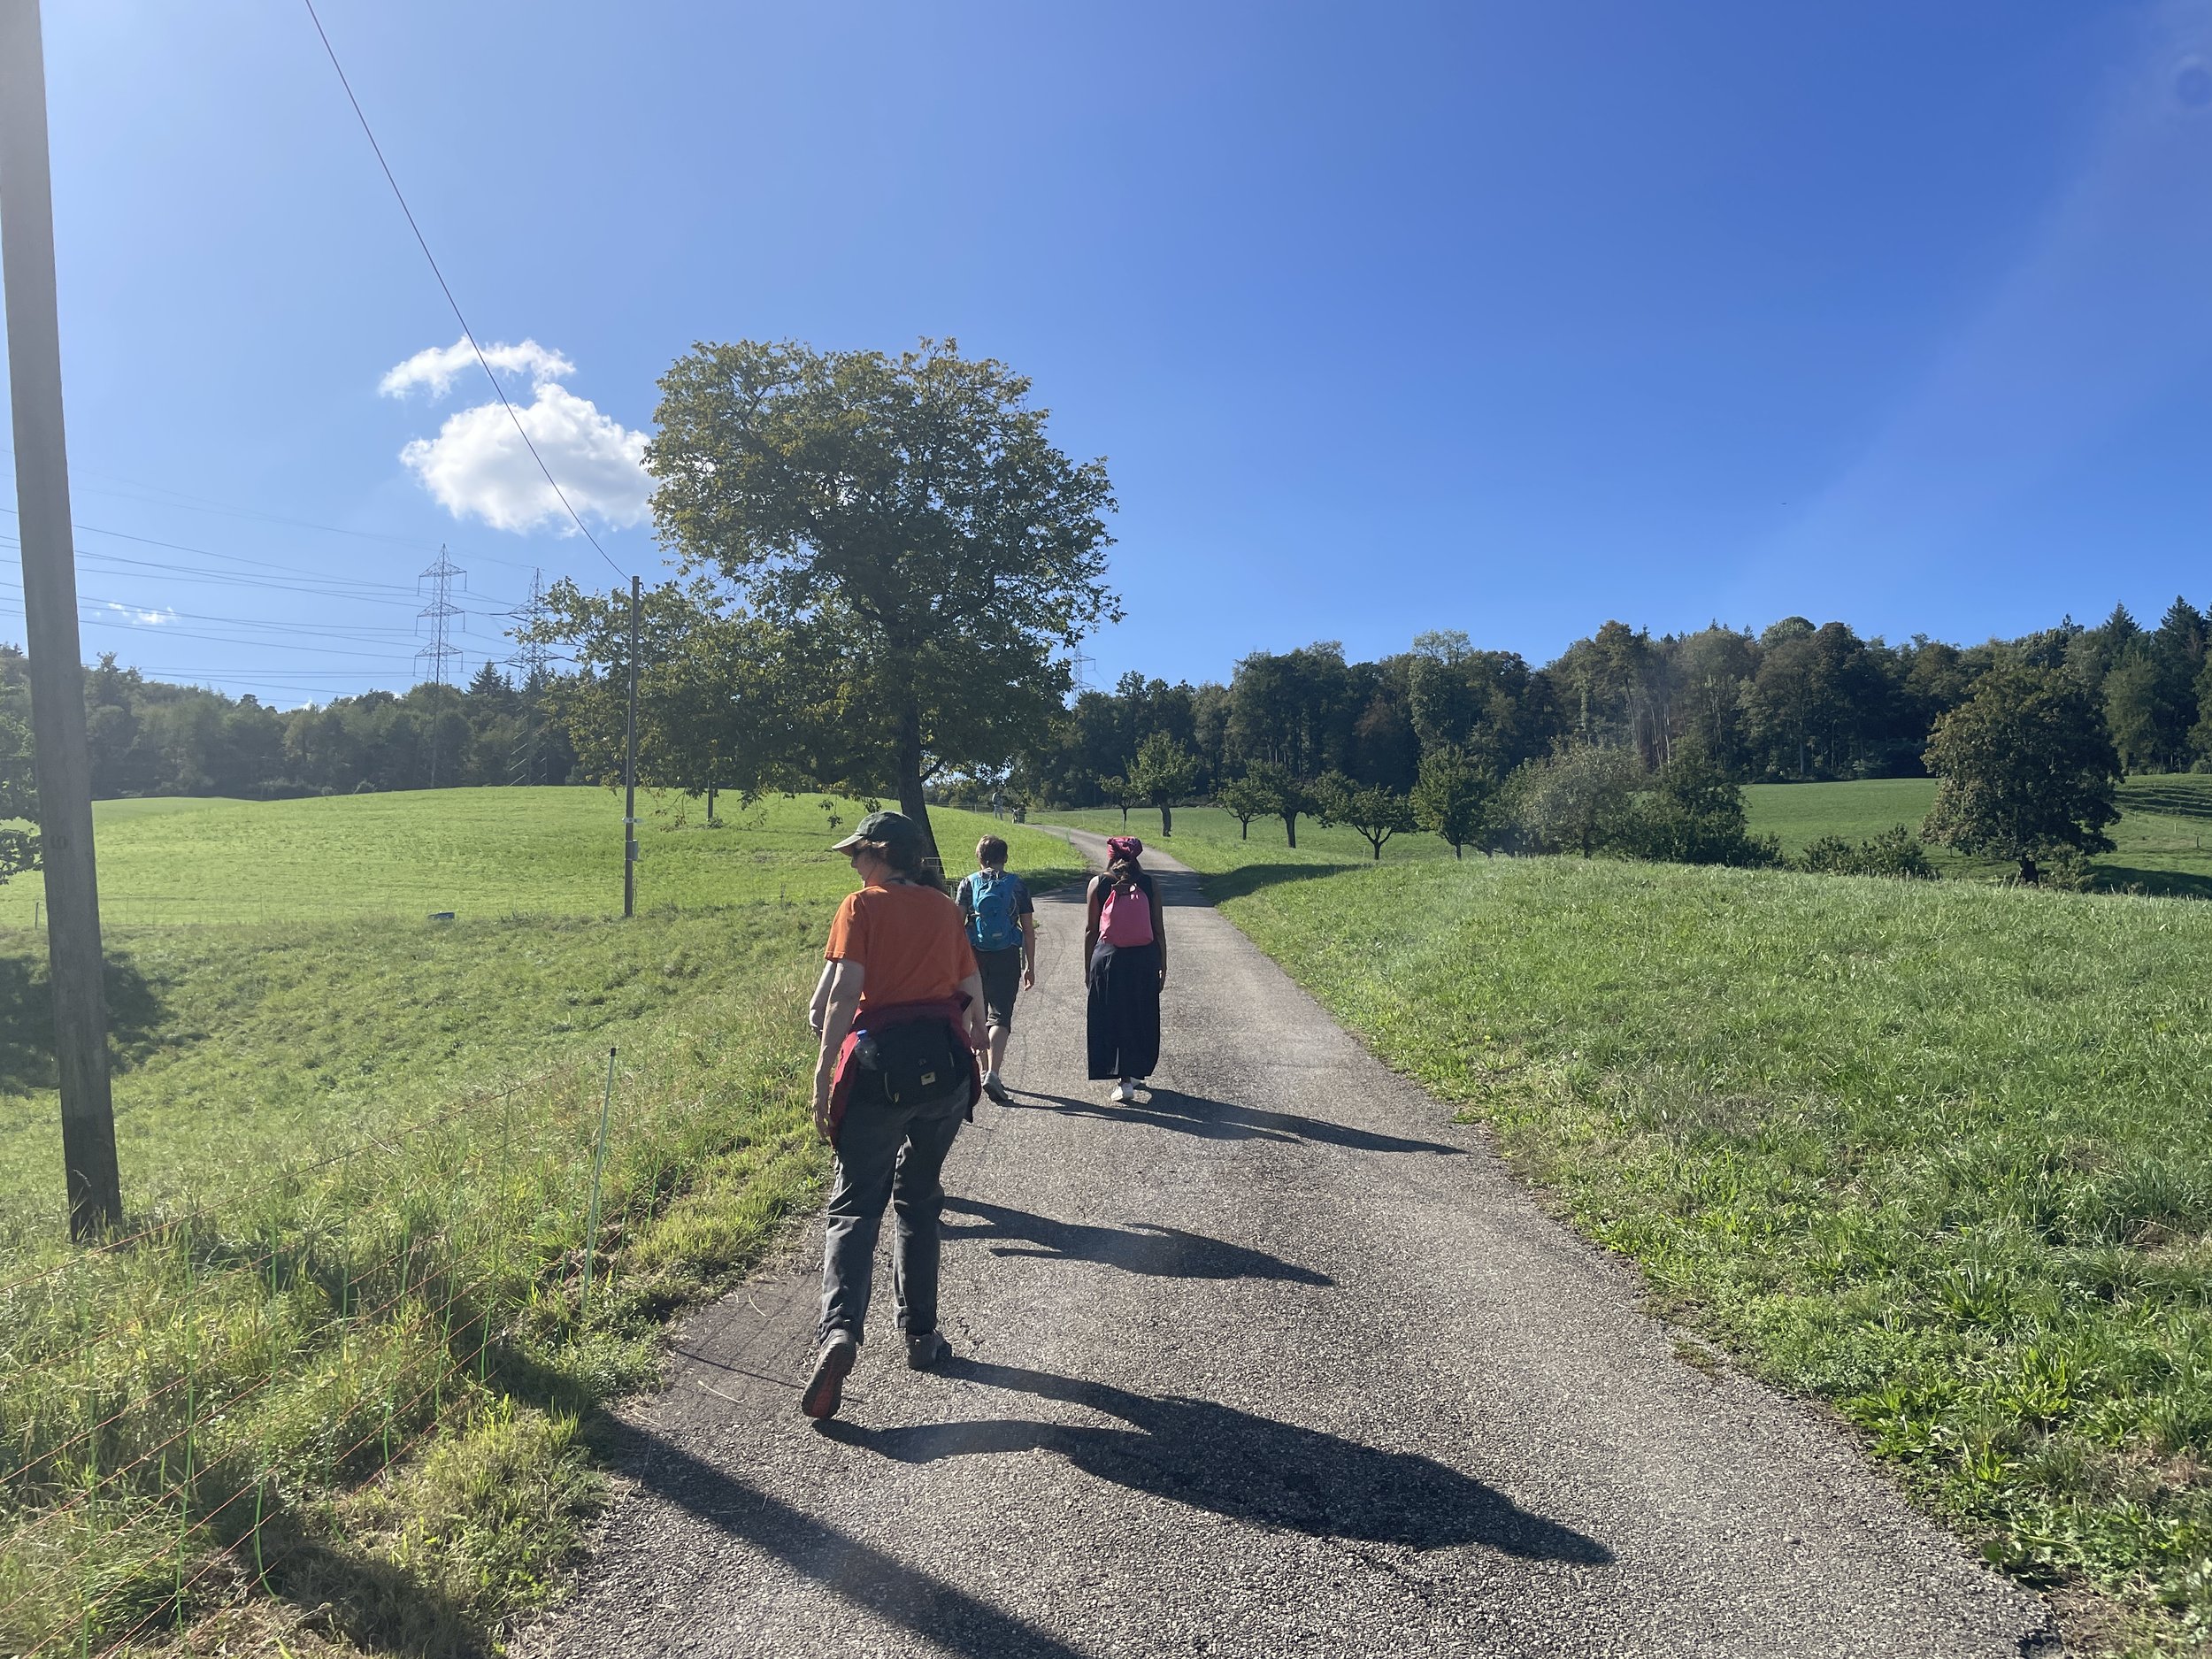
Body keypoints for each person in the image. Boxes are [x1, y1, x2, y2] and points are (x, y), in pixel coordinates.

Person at [801, 810, 987, 1421]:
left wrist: (825, 1074)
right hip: (945, 1071)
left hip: (880, 1073)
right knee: (920, 1198)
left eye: (858, 852)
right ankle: (922, 1336)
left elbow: (844, 993)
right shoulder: (942, 906)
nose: (853, 862)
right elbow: (974, 998)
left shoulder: (861, 907)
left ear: (881, 853)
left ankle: (840, 1333)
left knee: (855, 1204)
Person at [955, 834, 1036, 1104]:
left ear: (980, 858)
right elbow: (1028, 930)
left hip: (973, 955)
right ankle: (994, 1073)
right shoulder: (1018, 885)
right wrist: (1029, 965)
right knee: (1000, 1015)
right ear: (1005, 858)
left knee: (978, 1012)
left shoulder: (968, 883)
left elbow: (956, 926)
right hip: (1007, 955)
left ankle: (981, 1070)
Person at [1085, 834, 1165, 1103]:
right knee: (1140, 1015)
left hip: (1109, 959)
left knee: (1113, 1017)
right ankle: (1136, 1068)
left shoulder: (1099, 884)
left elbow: (1091, 930)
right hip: (1143, 960)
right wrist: (1163, 964)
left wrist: (1088, 966)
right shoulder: (1150, 884)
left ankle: (1124, 1080)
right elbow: (1158, 929)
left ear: (1110, 856)